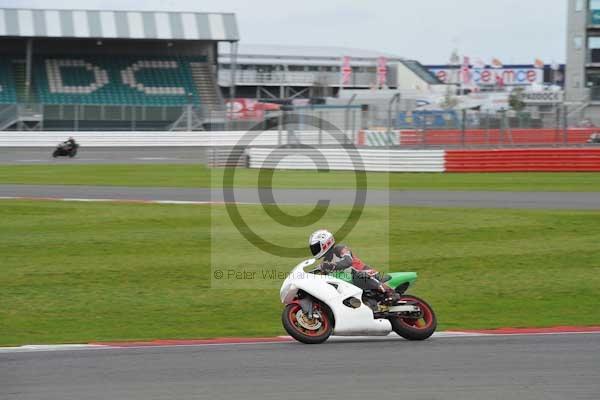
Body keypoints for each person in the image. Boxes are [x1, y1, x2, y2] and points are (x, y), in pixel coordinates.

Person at [308, 229, 400, 305]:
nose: (314, 250)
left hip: (366, 273)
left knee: (357, 274)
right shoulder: (325, 261)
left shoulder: (340, 248)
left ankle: (390, 292)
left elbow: (348, 262)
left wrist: (328, 266)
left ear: (326, 243)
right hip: (350, 282)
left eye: (316, 247)